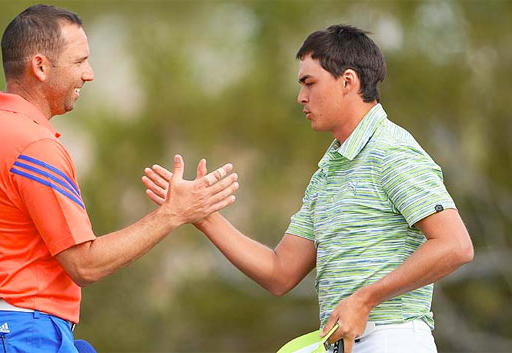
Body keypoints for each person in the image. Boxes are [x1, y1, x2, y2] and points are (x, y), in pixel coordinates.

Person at [142, 24, 474, 353]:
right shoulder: (329, 170)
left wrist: (365, 298)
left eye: (309, 83)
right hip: (344, 344)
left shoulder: (392, 150)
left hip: (394, 339)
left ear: (348, 82)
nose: (301, 96)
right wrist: (200, 215)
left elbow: (455, 245)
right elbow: (279, 272)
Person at [0, 4, 239, 353]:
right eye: (79, 62)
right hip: (23, 337)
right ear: (40, 67)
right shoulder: (34, 144)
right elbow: (85, 264)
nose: (89, 74)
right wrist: (173, 212)